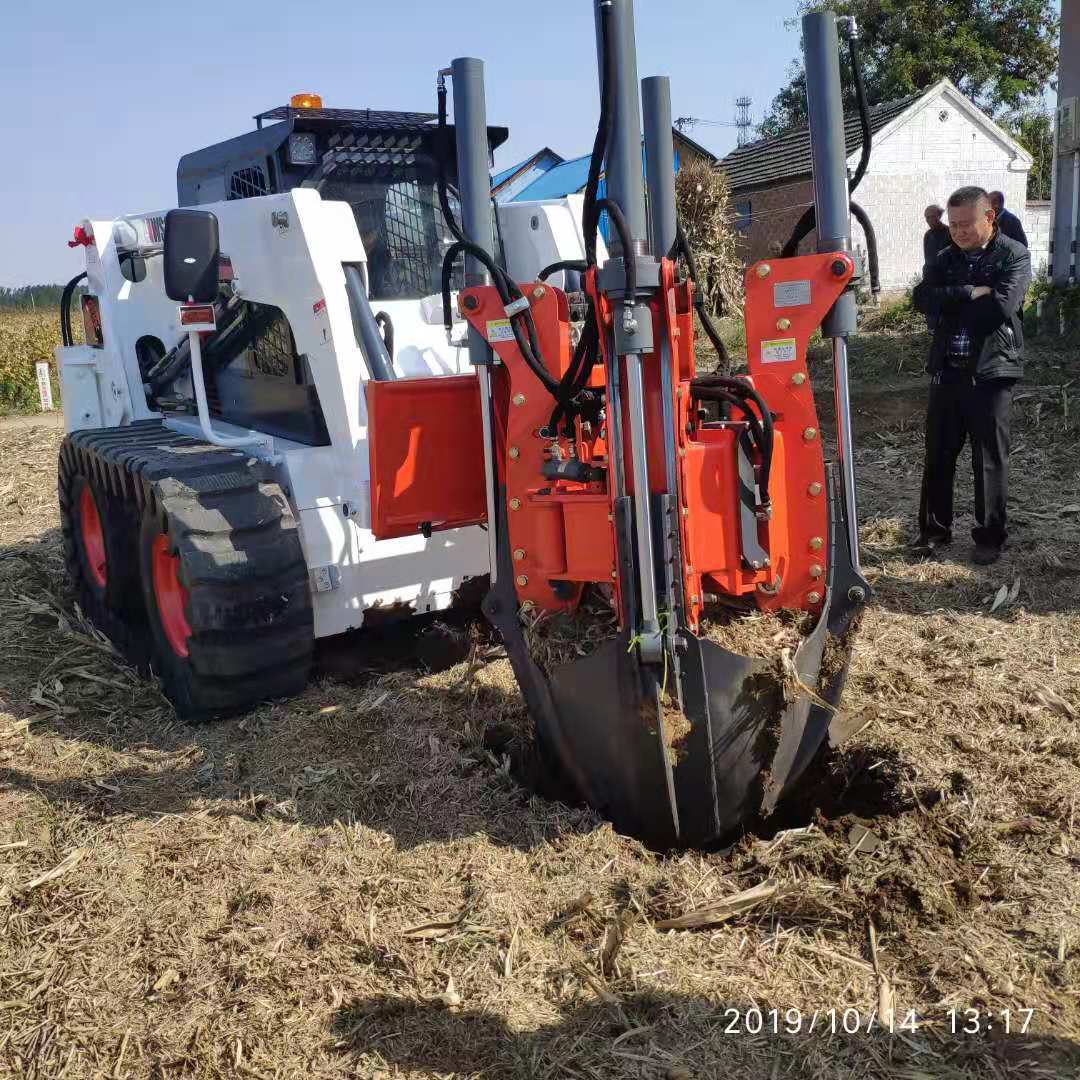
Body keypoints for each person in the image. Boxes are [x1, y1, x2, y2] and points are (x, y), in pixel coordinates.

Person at [911, 186, 1031, 565]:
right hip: (948, 369)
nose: (959, 232)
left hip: (991, 372)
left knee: (989, 458)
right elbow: (921, 298)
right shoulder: (946, 258)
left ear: (990, 217)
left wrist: (950, 301)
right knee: (938, 454)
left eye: (966, 224)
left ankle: (989, 537)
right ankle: (933, 531)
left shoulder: (1013, 255)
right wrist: (966, 291)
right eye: (954, 224)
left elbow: (997, 310)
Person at [922, 205, 951, 332]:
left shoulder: (950, 233)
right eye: (926, 218)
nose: (928, 221)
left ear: (939, 216)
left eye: (931, 217)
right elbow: (927, 257)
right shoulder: (928, 235)